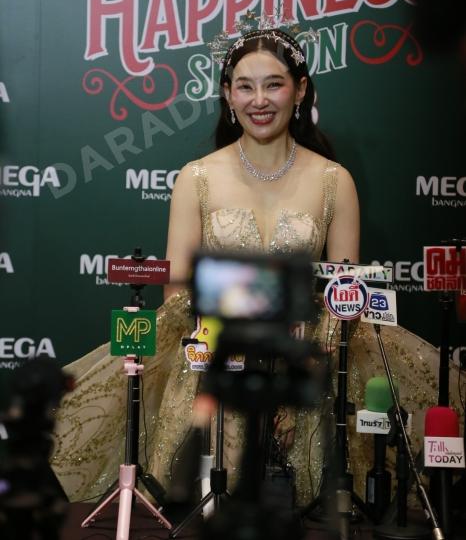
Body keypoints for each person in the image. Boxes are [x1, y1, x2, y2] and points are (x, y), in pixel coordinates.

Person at [51, 26, 465, 509]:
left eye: (274, 84)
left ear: (301, 90)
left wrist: (307, 347)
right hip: (216, 359)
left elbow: (345, 293)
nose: (259, 100)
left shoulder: (334, 182)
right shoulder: (197, 178)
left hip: (305, 360)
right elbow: (179, 295)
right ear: (228, 94)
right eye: (245, 86)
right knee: (209, 496)